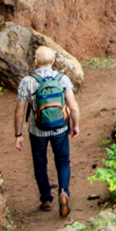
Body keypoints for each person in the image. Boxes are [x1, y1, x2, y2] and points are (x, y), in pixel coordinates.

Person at [16, 47, 78, 217]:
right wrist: (75, 125)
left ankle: (46, 199)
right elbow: (72, 106)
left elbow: (19, 112)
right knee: (63, 161)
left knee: (40, 163)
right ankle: (63, 191)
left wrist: (18, 135)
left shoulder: (27, 82)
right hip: (60, 128)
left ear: (35, 61)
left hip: (37, 131)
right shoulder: (62, 79)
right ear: (53, 62)